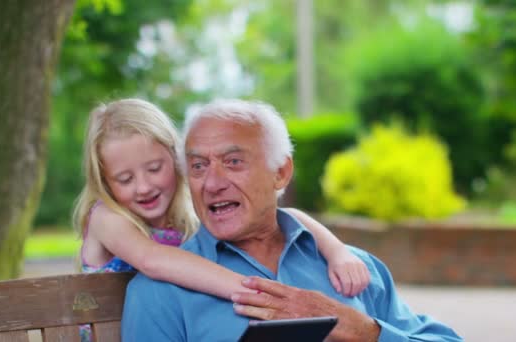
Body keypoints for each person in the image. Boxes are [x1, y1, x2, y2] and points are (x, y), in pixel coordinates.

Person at [121, 99, 463, 341]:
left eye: (234, 162)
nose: (212, 183)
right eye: (198, 166)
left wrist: (364, 332)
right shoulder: (159, 293)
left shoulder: (356, 269)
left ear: (281, 172)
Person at [74, 99, 370, 341]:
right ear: (104, 182)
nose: (143, 186)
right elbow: (152, 260)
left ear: (178, 163)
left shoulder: (187, 214)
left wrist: (337, 252)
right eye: (124, 179)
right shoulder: (106, 217)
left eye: (154, 168)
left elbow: (289, 215)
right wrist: (263, 294)